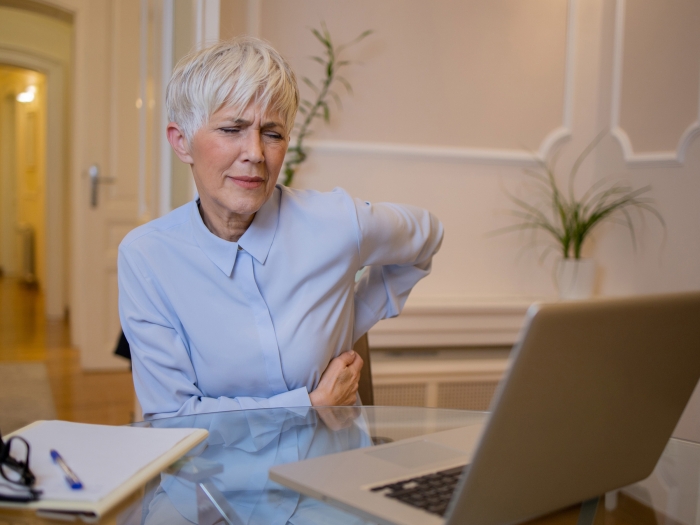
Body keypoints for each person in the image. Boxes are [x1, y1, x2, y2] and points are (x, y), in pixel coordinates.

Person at [118, 37, 443, 420]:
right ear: (181, 142)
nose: (255, 152)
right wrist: (311, 405)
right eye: (232, 129)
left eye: (272, 134)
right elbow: (174, 419)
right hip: (215, 478)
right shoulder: (147, 257)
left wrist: (350, 318)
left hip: (329, 470)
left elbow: (427, 235)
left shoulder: (335, 222)